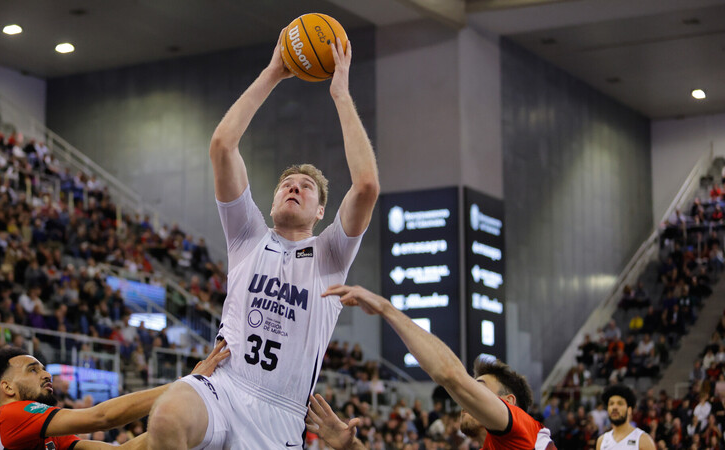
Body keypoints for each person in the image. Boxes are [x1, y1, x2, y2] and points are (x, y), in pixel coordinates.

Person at [147, 27, 379, 450]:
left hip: (282, 416)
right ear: (271, 201)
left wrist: (341, 95)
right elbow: (222, 145)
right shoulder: (247, 235)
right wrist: (273, 72)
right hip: (225, 387)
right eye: (287, 183)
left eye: (306, 187)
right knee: (167, 416)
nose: (294, 187)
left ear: (321, 212)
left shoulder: (330, 254)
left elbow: (365, 187)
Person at [308, 285, 555, 449]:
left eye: (479, 386)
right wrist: (350, 446)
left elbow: (451, 376)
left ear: (509, 402)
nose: (465, 402)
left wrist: (386, 308)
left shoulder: (523, 431)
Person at [0, 342, 229, 450]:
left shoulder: (44, 435)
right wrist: (186, 384)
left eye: (43, 367)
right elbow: (103, 417)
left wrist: (177, 426)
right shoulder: (9, 415)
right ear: (7, 388)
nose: (46, 374)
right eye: (33, 369)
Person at [596, 384, 656, 450]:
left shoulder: (643, 440)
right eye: (611, 404)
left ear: (629, 410)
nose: (614, 407)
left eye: (620, 403)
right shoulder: (601, 441)